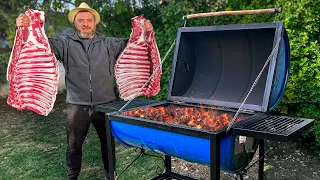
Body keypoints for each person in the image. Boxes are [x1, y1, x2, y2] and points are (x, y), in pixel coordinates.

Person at [16, 2, 153, 180]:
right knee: (73, 146)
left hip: (106, 105)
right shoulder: (64, 43)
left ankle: (110, 175)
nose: (85, 23)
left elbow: (135, 43)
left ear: (95, 22)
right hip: (77, 105)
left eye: (89, 20)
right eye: (81, 20)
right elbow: (40, 44)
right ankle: (72, 177)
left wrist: (146, 31)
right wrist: (26, 28)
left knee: (108, 145)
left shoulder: (109, 43)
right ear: (75, 23)